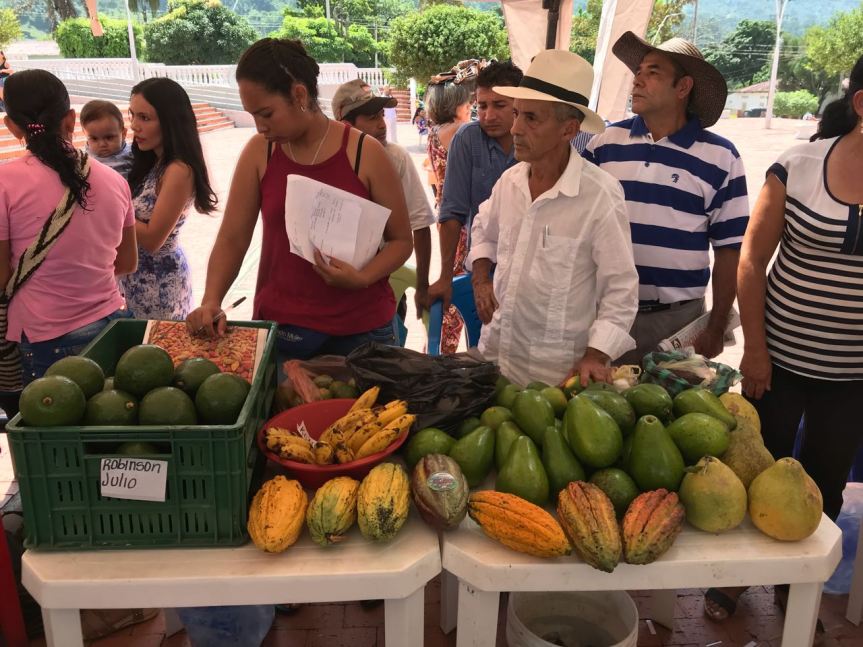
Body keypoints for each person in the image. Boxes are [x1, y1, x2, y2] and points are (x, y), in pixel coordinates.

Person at [703, 55, 863, 626]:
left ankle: (799, 594)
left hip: (852, 376)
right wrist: (756, 348)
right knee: (756, 468)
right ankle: (738, 578)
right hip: (780, 360)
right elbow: (751, 260)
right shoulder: (798, 164)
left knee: (824, 485)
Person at [186, 38, 412, 362]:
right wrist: (211, 299)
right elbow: (233, 237)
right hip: (285, 331)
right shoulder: (259, 152)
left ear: (299, 95)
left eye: (266, 113)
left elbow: (401, 241)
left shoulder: (364, 153)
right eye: (253, 115)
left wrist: (361, 277)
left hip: (362, 331)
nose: (260, 126)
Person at [467, 50, 639, 387]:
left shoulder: (599, 196)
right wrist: (481, 279)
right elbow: (483, 230)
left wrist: (595, 354)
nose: (515, 128)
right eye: (516, 113)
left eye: (531, 118)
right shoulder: (511, 182)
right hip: (497, 358)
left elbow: (620, 289)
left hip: (555, 378)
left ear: (568, 129)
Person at [584, 33, 749, 365]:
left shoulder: (721, 158)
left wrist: (716, 325)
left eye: (653, 72)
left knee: (669, 413)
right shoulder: (604, 143)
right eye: (638, 71)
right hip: (603, 314)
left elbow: (729, 249)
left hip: (677, 322)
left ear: (683, 88)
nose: (637, 80)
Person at [0, 69, 138, 386]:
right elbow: (127, 263)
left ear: (11, 126)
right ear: (71, 119)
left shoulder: (5, 183)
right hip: (109, 327)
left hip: (43, 337)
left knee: (54, 426)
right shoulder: (115, 181)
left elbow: (2, 277)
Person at [427, 60, 522, 336]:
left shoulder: (534, 140)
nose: (488, 115)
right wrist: (445, 276)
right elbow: (452, 212)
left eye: (499, 105)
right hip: (481, 266)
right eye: (482, 105)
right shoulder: (467, 138)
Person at [333, 78, 435, 318]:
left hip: (385, 286)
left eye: (381, 115)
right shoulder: (326, 158)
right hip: (334, 287)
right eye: (371, 118)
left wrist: (422, 286)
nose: (382, 125)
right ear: (346, 124)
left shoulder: (395, 157)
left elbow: (420, 225)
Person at [121, 77, 217, 320]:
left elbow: (154, 238)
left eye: (145, 118)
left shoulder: (178, 170)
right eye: (132, 115)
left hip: (160, 283)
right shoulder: (153, 163)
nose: (134, 126)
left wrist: (111, 209)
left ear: (171, 121)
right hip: (136, 280)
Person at [425, 65, 474, 353]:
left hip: (444, 212)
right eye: (468, 103)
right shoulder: (462, 131)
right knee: (458, 287)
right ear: (455, 104)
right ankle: (445, 352)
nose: (471, 108)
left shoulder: (434, 132)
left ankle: (441, 349)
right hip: (462, 220)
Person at [80, 99, 133, 177]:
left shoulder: (132, 154)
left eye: (109, 137)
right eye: (94, 139)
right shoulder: (84, 161)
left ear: (124, 133)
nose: (102, 144)